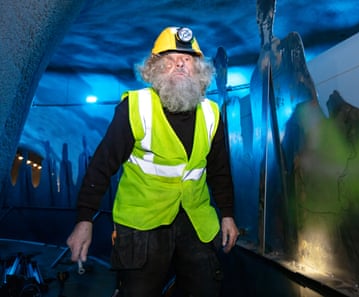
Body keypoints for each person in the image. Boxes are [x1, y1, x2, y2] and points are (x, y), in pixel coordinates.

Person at [66, 26, 239, 297]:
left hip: (196, 221)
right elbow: (102, 165)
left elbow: (219, 170)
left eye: (187, 60)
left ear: (200, 71)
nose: (180, 65)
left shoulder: (212, 114)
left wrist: (227, 215)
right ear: (154, 70)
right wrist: (84, 220)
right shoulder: (135, 107)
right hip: (142, 224)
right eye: (169, 61)